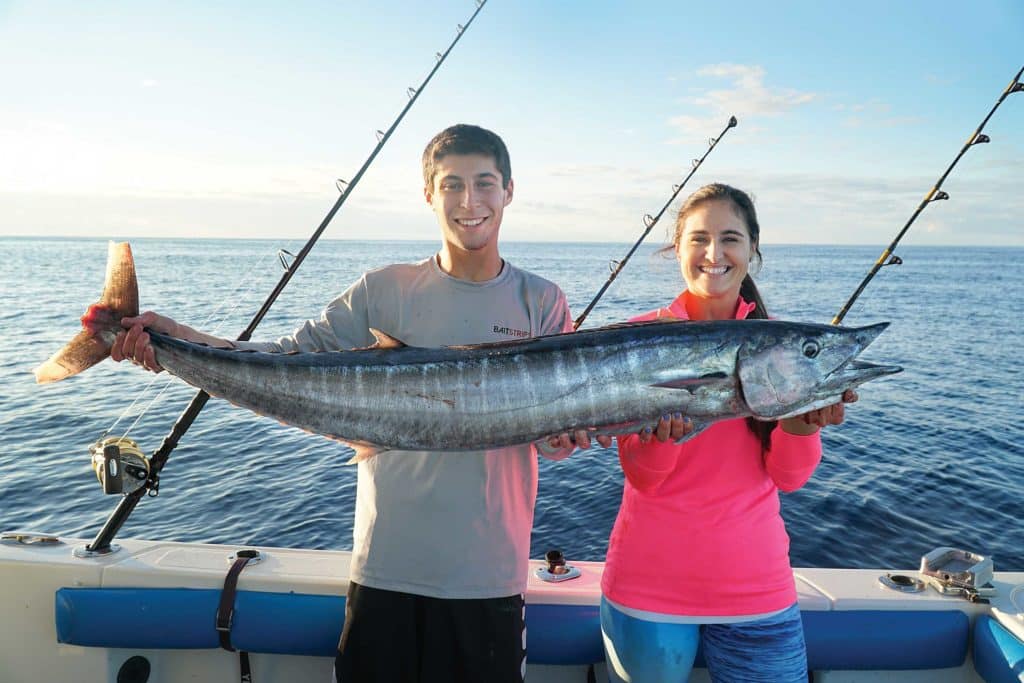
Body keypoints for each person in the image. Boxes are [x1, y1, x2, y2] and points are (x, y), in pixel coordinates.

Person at [111, 124, 599, 683]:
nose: (470, 201)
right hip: (385, 570)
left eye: (485, 184)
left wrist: (566, 435)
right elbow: (280, 359)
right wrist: (176, 339)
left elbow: (552, 438)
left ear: (509, 191)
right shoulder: (382, 289)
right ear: (428, 194)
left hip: (489, 578)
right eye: (452, 185)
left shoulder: (541, 300)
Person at [599, 183, 857, 683]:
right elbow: (645, 479)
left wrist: (800, 422)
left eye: (731, 238)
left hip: (757, 590)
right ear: (677, 249)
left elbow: (788, 477)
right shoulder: (634, 337)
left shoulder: (781, 345)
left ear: (753, 251)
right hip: (648, 587)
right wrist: (663, 439)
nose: (714, 254)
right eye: (698, 239)